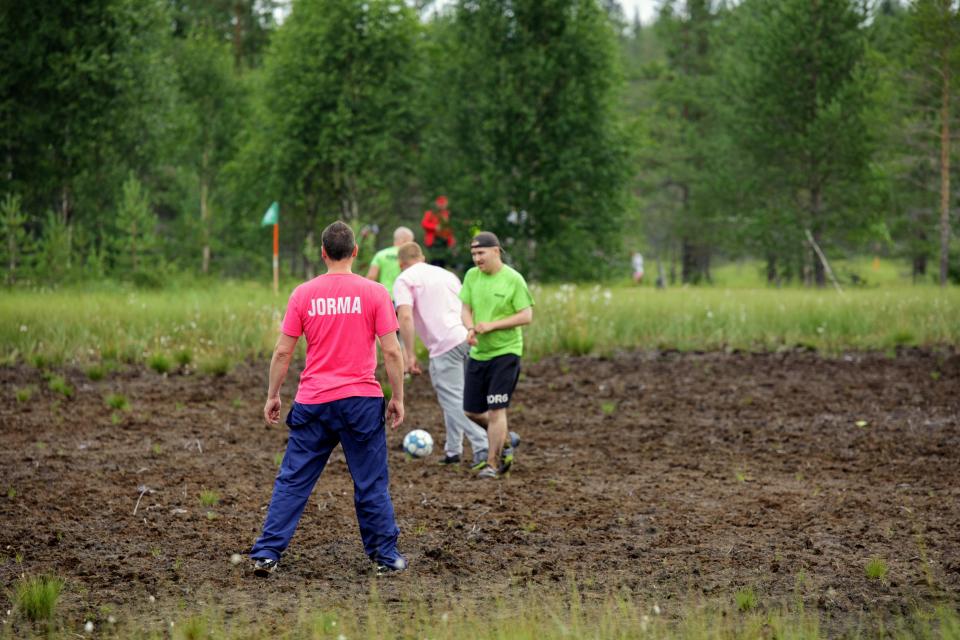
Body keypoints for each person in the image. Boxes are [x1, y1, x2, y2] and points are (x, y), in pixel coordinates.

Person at [250, 221, 407, 577]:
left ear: (323, 253)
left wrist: (273, 395)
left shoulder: (302, 294)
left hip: (314, 400)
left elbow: (282, 353)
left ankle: (267, 553)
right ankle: (386, 556)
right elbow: (393, 352)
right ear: (355, 252)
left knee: (292, 480)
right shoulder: (376, 292)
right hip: (361, 401)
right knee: (371, 482)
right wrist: (397, 396)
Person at [393, 242, 489, 469]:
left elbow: (404, 316)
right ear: (422, 257)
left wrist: (409, 354)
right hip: (468, 338)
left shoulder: (404, 279)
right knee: (459, 396)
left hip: (445, 345)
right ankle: (453, 450)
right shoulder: (447, 275)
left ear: (401, 264)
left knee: (454, 400)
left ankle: (483, 445)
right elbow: (468, 306)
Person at [459, 231, 534, 479]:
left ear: (496, 251)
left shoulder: (513, 279)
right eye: (473, 254)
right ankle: (506, 439)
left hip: (506, 352)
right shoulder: (471, 276)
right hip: (479, 352)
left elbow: (526, 316)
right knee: (470, 410)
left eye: (481, 253)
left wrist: (492, 325)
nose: (477, 259)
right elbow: (465, 308)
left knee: (496, 410)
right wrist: (470, 328)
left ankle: (492, 464)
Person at [366, 226, 415, 299]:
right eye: (411, 241)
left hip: (384, 297)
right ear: (404, 240)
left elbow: (371, 277)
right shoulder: (411, 256)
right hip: (404, 298)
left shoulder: (381, 254)